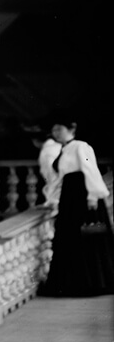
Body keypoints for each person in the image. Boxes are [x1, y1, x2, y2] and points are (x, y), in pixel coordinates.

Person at [38, 116, 114, 298]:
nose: (56, 133)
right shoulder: (63, 150)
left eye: (60, 129)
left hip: (83, 196)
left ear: (71, 129)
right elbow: (59, 179)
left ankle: (93, 284)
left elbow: (91, 170)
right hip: (69, 197)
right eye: (54, 130)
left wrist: (93, 196)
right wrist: (51, 200)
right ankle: (70, 284)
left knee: (86, 237)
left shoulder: (81, 146)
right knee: (68, 238)